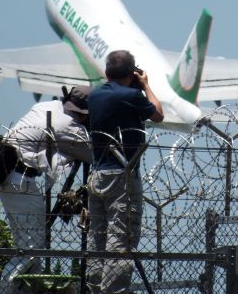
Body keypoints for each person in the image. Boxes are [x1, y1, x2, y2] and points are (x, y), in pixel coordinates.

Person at [0, 85, 92, 294]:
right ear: (83, 113)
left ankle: (25, 290)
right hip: (21, 181)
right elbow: (92, 153)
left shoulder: (47, 106)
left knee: (26, 242)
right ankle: (3, 290)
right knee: (32, 246)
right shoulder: (66, 125)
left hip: (11, 176)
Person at [86, 50, 164, 294]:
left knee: (96, 239)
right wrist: (145, 85)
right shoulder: (132, 95)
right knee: (121, 240)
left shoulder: (95, 94)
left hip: (97, 172)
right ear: (132, 73)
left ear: (107, 72)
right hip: (122, 176)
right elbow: (158, 114)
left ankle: (94, 288)